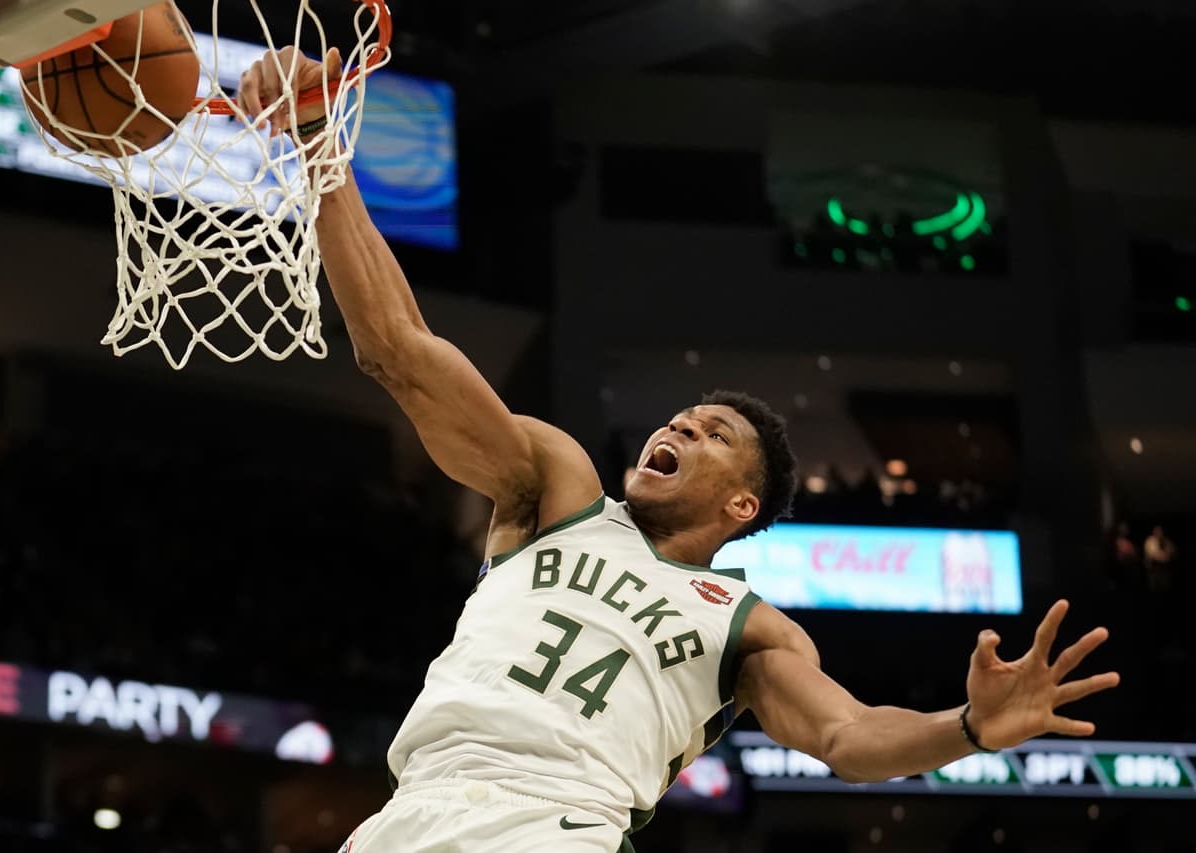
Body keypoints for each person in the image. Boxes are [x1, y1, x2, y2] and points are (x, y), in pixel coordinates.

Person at [238, 49, 1122, 853]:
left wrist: (967, 725)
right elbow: (396, 346)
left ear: (743, 504)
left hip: (560, 826)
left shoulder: (750, 625)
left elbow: (849, 738)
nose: (677, 428)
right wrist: (320, 144)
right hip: (409, 812)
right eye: (680, 420)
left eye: (711, 435)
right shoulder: (556, 487)